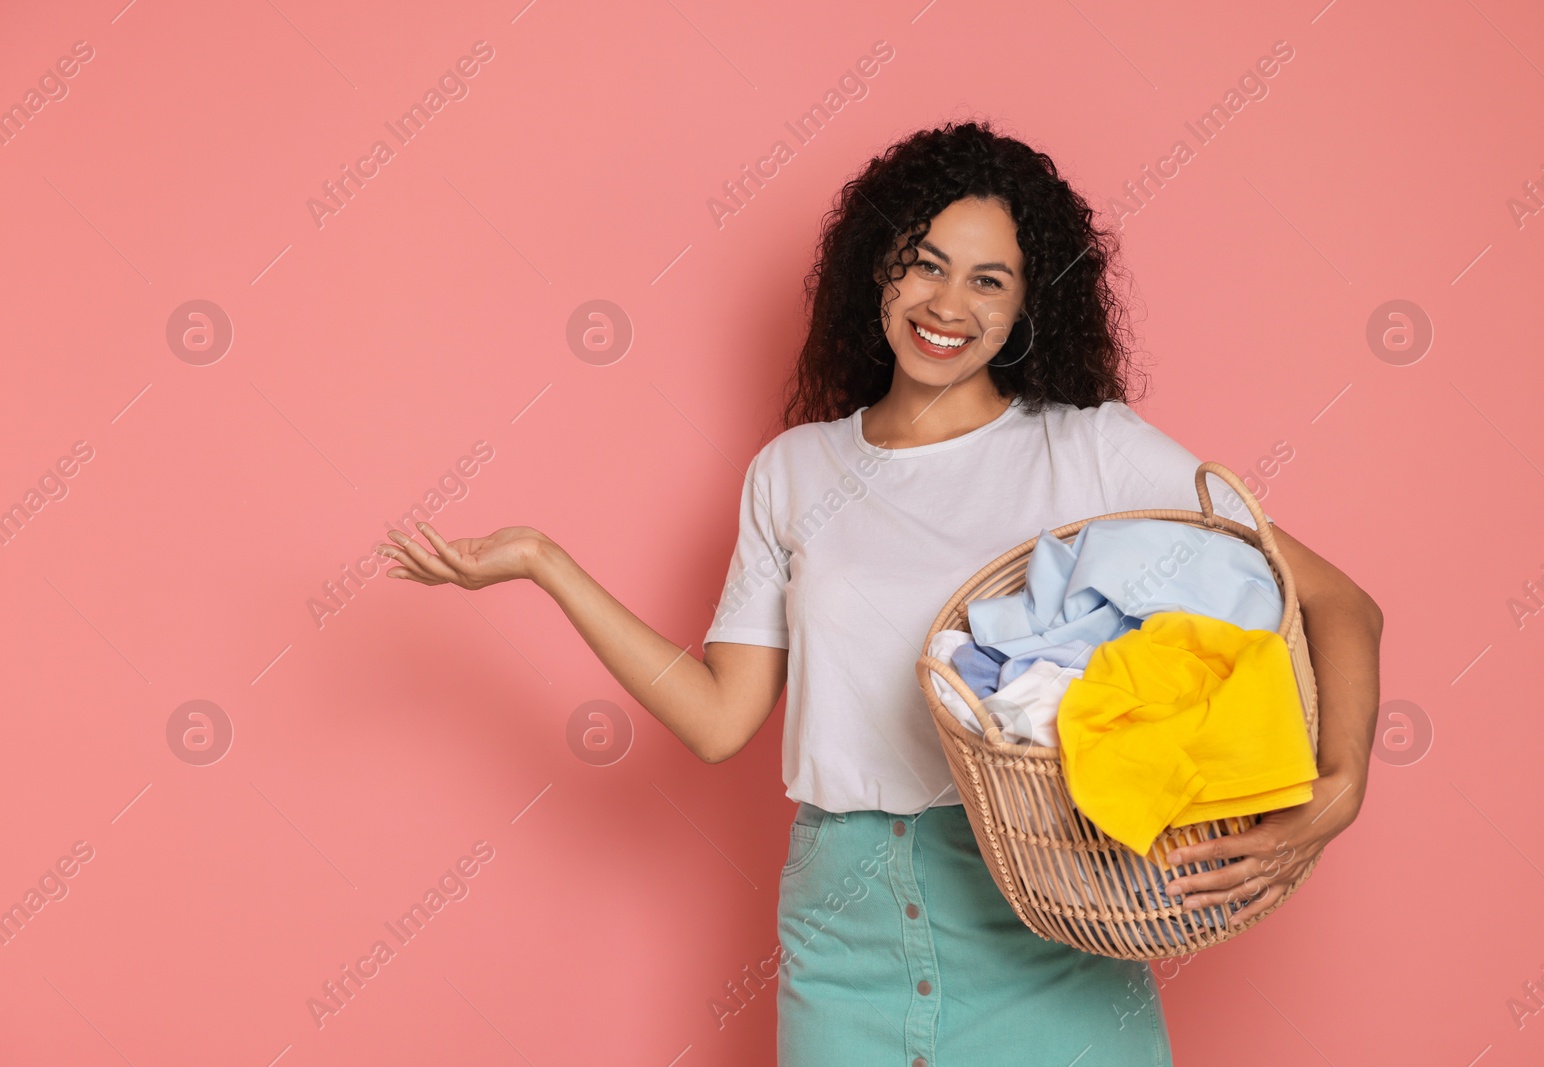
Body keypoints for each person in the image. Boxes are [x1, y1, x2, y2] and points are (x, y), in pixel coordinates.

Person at [376, 119, 1384, 1066]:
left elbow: (1341, 604)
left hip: (1043, 895)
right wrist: (548, 563)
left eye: (990, 280)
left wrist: (1337, 788)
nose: (948, 305)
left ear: (1029, 306)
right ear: (878, 268)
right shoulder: (793, 473)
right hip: (841, 921)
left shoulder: (1090, 450)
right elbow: (723, 719)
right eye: (926, 262)